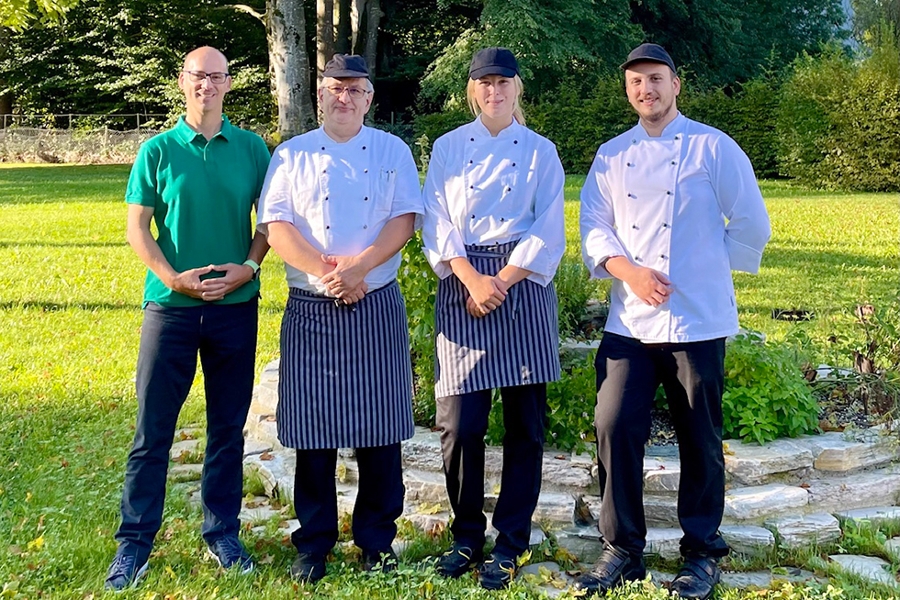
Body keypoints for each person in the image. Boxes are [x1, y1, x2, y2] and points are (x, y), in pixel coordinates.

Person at [576, 43, 771, 599]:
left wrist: (705, 268)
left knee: (700, 438)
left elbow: (752, 221)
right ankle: (622, 550)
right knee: (614, 428)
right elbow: (593, 225)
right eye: (636, 82)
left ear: (676, 84)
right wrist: (629, 272)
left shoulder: (714, 146)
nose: (647, 90)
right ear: (628, 90)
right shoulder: (611, 155)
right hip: (629, 322)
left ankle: (702, 551)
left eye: (656, 80)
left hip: (697, 322)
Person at [105, 46, 272, 590]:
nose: (208, 85)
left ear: (229, 83)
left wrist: (248, 267)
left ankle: (222, 532)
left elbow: (272, 223)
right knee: (153, 431)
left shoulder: (252, 149)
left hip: (234, 310)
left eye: (218, 77)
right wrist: (172, 277)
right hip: (170, 311)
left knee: (228, 427)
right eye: (199, 76)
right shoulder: (157, 151)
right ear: (183, 82)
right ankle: (134, 545)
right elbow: (137, 228)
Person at [256, 54, 422, 583]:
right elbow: (275, 225)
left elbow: (404, 220)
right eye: (334, 89)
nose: (344, 98)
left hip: (375, 298)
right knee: (314, 431)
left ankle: (378, 541)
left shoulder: (393, 150)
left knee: (380, 432)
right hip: (311, 303)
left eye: (355, 89)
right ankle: (314, 542)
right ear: (320, 95)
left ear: (369, 98)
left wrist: (359, 268)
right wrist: (325, 273)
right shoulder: (291, 154)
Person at [421, 47, 566, 591]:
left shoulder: (540, 150)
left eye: (503, 81)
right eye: (484, 82)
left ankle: (510, 541)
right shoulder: (448, 147)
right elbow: (435, 216)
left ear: (517, 87)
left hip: (521, 281)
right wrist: (471, 277)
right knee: (460, 424)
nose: (494, 90)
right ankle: (465, 535)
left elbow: (550, 223)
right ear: (472, 90)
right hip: (463, 282)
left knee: (525, 426)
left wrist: (501, 280)